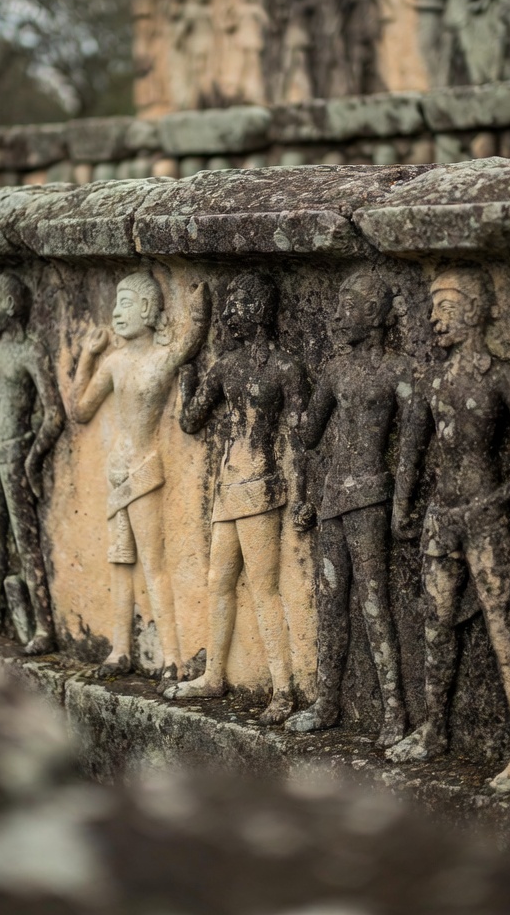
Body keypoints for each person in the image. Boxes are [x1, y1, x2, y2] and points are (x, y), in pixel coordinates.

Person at [387, 267, 510, 794]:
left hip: (483, 514)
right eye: (433, 308)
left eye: (446, 307)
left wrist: (498, 498)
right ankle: (435, 727)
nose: (435, 318)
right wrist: (406, 503)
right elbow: (413, 446)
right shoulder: (436, 378)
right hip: (443, 514)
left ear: (475, 312)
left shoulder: (502, 376)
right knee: (435, 623)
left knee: (502, 626)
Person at [165, 273, 306, 725]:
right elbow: (191, 420)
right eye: (229, 305)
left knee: (264, 589)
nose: (230, 314)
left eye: (240, 304)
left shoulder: (285, 368)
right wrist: (187, 376)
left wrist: (306, 494)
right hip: (230, 486)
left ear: (261, 309)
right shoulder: (226, 365)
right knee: (218, 580)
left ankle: (282, 688)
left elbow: (304, 439)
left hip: (260, 483)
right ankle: (213, 676)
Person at [287, 268, 408, 745]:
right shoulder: (336, 369)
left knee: (374, 602)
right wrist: (294, 394)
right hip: (334, 496)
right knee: (330, 602)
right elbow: (309, 433)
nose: (338, 316)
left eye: (349, 306)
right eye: (337, 306)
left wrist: (402, 504)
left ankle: (394, 710)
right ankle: (327, 700)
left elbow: (414, 443)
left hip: (371, 494)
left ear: (375, 315)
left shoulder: (397, 370)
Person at [71, 272, 209, 685]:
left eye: (126, 302)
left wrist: (200, 311)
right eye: (116, 302)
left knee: (152, 561)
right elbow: (81, 409)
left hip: (145, 467)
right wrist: (86, 357)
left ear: (149, 311)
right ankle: (120, 648)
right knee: (119, 559)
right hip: (116, 469)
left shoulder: (161, 359)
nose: (116, 312)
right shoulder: (113, 363)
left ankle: (172, 656)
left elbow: (190, 342)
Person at [0, 273, 64, 655]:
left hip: (17, 450)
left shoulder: (31, 351)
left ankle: (44, 627)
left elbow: (54, 414)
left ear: (13, 305)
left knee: (25, 538)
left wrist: (34, 459)